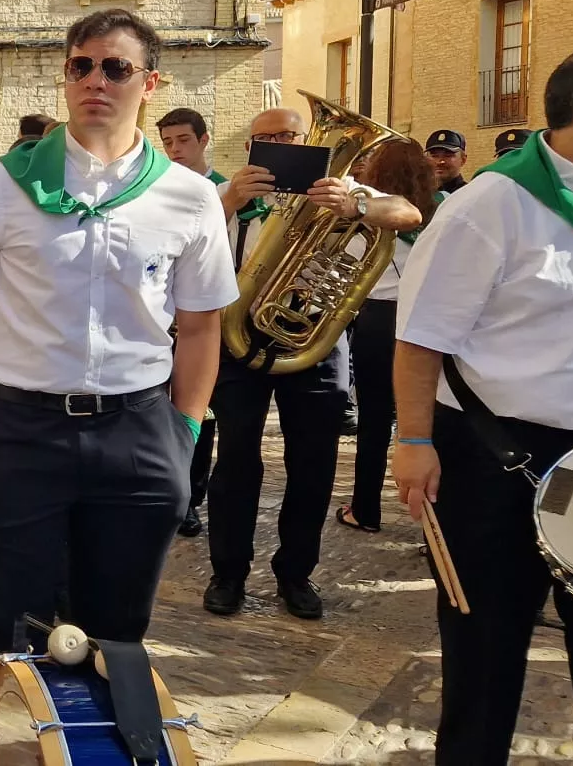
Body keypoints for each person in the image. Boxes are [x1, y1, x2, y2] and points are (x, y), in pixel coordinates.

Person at [0, 9, 238, 762]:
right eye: (80, 66)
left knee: (116, 637)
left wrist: (184, 431)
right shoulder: (5, 184)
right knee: (13, 630)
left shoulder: (189, 197)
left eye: (115, 68)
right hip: (20, 431)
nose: (95, 81)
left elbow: (199, 327)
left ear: (150, 83)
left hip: (137, 432)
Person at [394, 45, 573, 765]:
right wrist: (415, 443)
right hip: (500, 462)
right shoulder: (492, 203)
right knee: (485, 660)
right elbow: (421, 335)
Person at [205, 107, 421, 620]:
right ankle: (227, 573)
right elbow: (183, 240)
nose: (279, 143)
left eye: (289, 135)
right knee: (235, 460)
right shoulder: (232, 194)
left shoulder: (344, 188)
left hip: (314, 340)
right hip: (237, 337)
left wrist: (356, 204)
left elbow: (409, 214)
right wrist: (230, 200)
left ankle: (296, 573)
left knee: (314, 463)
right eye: (265, 138)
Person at [337, 141, 441, 534]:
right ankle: (436, 522)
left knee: (375, 422)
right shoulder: (444, 208)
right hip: (429, 319)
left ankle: (365, 509)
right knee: (432, 423)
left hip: (379, 320)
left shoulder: (366, 216)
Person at [154, 106, 220, 537]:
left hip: (207, 321)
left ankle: (192, 499)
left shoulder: (221, 190)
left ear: (203, 140)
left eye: (183, 141)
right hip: (167, 327)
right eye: (168, 143)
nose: (175, 150)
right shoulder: (160, 190)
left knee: (201, 414)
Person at [425, 129, 469, 193]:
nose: (440, 162)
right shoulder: (418, 195)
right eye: (434, 156)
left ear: (463, 160)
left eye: (448, 155)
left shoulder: (469, 194)